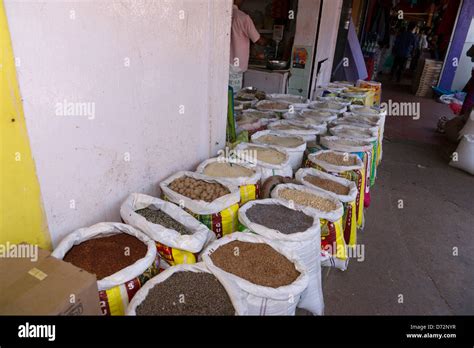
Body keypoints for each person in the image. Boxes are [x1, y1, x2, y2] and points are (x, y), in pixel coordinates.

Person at [229, 0, 268, 91]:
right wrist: (269, 41)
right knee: (233, 97)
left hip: (221, 64)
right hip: (236, 67)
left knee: (222, 96)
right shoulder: (243, 18)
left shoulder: (222, 15)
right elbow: (259, 41)